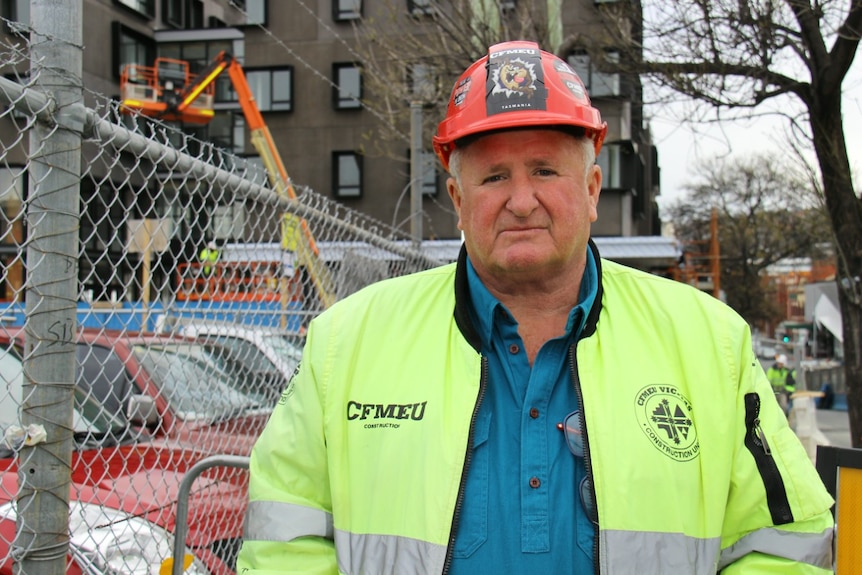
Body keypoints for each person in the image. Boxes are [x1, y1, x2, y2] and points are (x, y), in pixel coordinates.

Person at [236, 41, 834, 574]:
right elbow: (282, 542)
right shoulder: (346, 343)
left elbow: (785, 544)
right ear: (457, 199)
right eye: (494, 176)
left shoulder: (710, 344)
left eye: (545, 170)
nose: (521, 201)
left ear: (593, 189)